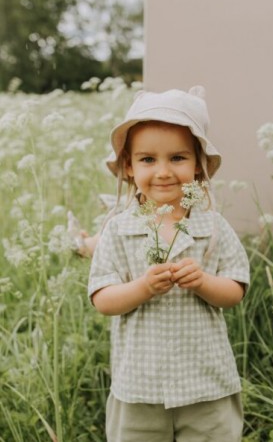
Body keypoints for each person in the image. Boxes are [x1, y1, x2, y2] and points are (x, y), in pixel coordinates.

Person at [88, 86, 250, 441]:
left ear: (198, 166)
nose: (163, 172)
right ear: (128, 166)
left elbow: (235, 289)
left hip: (206, 384)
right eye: (148, 159)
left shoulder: (213, 226)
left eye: (178, 158)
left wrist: (204, 282)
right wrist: (143, 287)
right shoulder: (119, 229)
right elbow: (102, 299)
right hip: (139, 388)